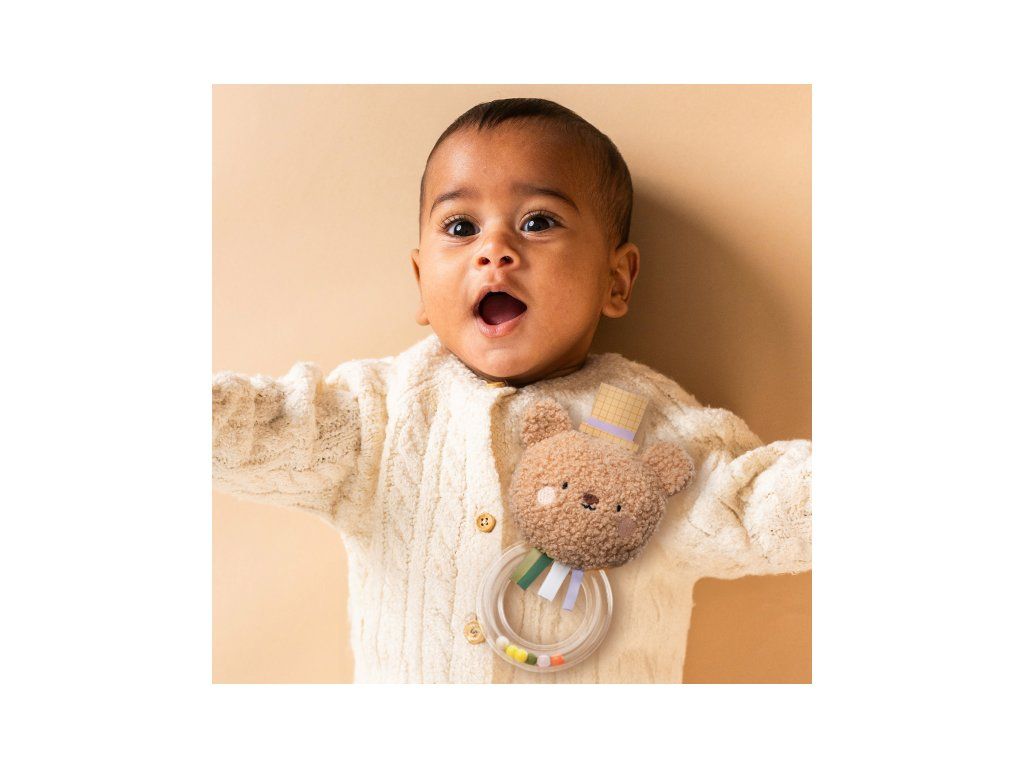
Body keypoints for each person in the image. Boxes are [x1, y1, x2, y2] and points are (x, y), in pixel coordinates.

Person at [212, 97, 811, 683]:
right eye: (461, 227)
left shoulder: (654, 423)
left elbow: (754, 506)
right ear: (421, 283)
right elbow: (263, 430)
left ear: (616, 279)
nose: (494, 250)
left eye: (537, 222)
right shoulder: (380, 410)